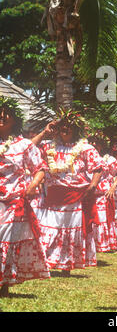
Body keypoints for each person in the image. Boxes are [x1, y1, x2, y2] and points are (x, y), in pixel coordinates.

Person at [32, 110, 106, 274]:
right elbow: (28, 148)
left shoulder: (85, 148)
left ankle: (67, 264)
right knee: (50, 228)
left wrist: (93, 186)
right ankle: (47, 262)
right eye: (62, 126)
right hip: (53, 195)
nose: (65, 129)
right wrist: (45, 132)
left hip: (74, 197)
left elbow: (99, 167)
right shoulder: (49, 146)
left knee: (68, 231)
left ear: (75, 129)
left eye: (68, 126)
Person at [0, 97, 50, 296]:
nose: (2, 117)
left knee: (5, 240)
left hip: (13, 200)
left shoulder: (23, 145)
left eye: (7, 114)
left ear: (15, 119)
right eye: (0, 112)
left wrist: (32, 186)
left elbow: (41, 168)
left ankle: (4, 282)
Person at [88, 131, 117, 253]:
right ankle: (89, 248)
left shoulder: (108, 159)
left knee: (101, 222)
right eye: (91, 141)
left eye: (96, 142)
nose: (93, 144)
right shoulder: (86, 156)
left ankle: (99, 247)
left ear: (101, 145)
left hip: (102, 195)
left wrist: (113, 187)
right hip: (88, 195)